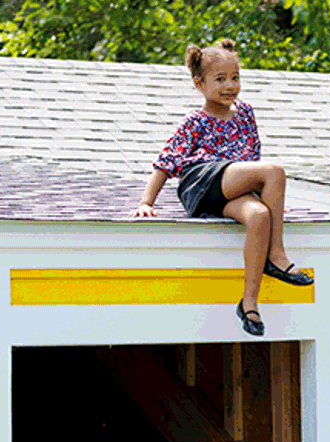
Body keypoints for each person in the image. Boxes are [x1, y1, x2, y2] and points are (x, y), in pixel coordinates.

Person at [132, 38, 312, 337]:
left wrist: (272, 203)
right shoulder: (196, 120)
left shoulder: (245, 115)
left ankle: (249, 304)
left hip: (228, 188)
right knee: (275, 170)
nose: (230, 85)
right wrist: (146, 202)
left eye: (235, 78)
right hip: (201, 180)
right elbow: (167, 160)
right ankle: (277, 254)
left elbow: (251, 158)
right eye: (220, 79)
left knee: (259, 217)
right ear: (199, 83)